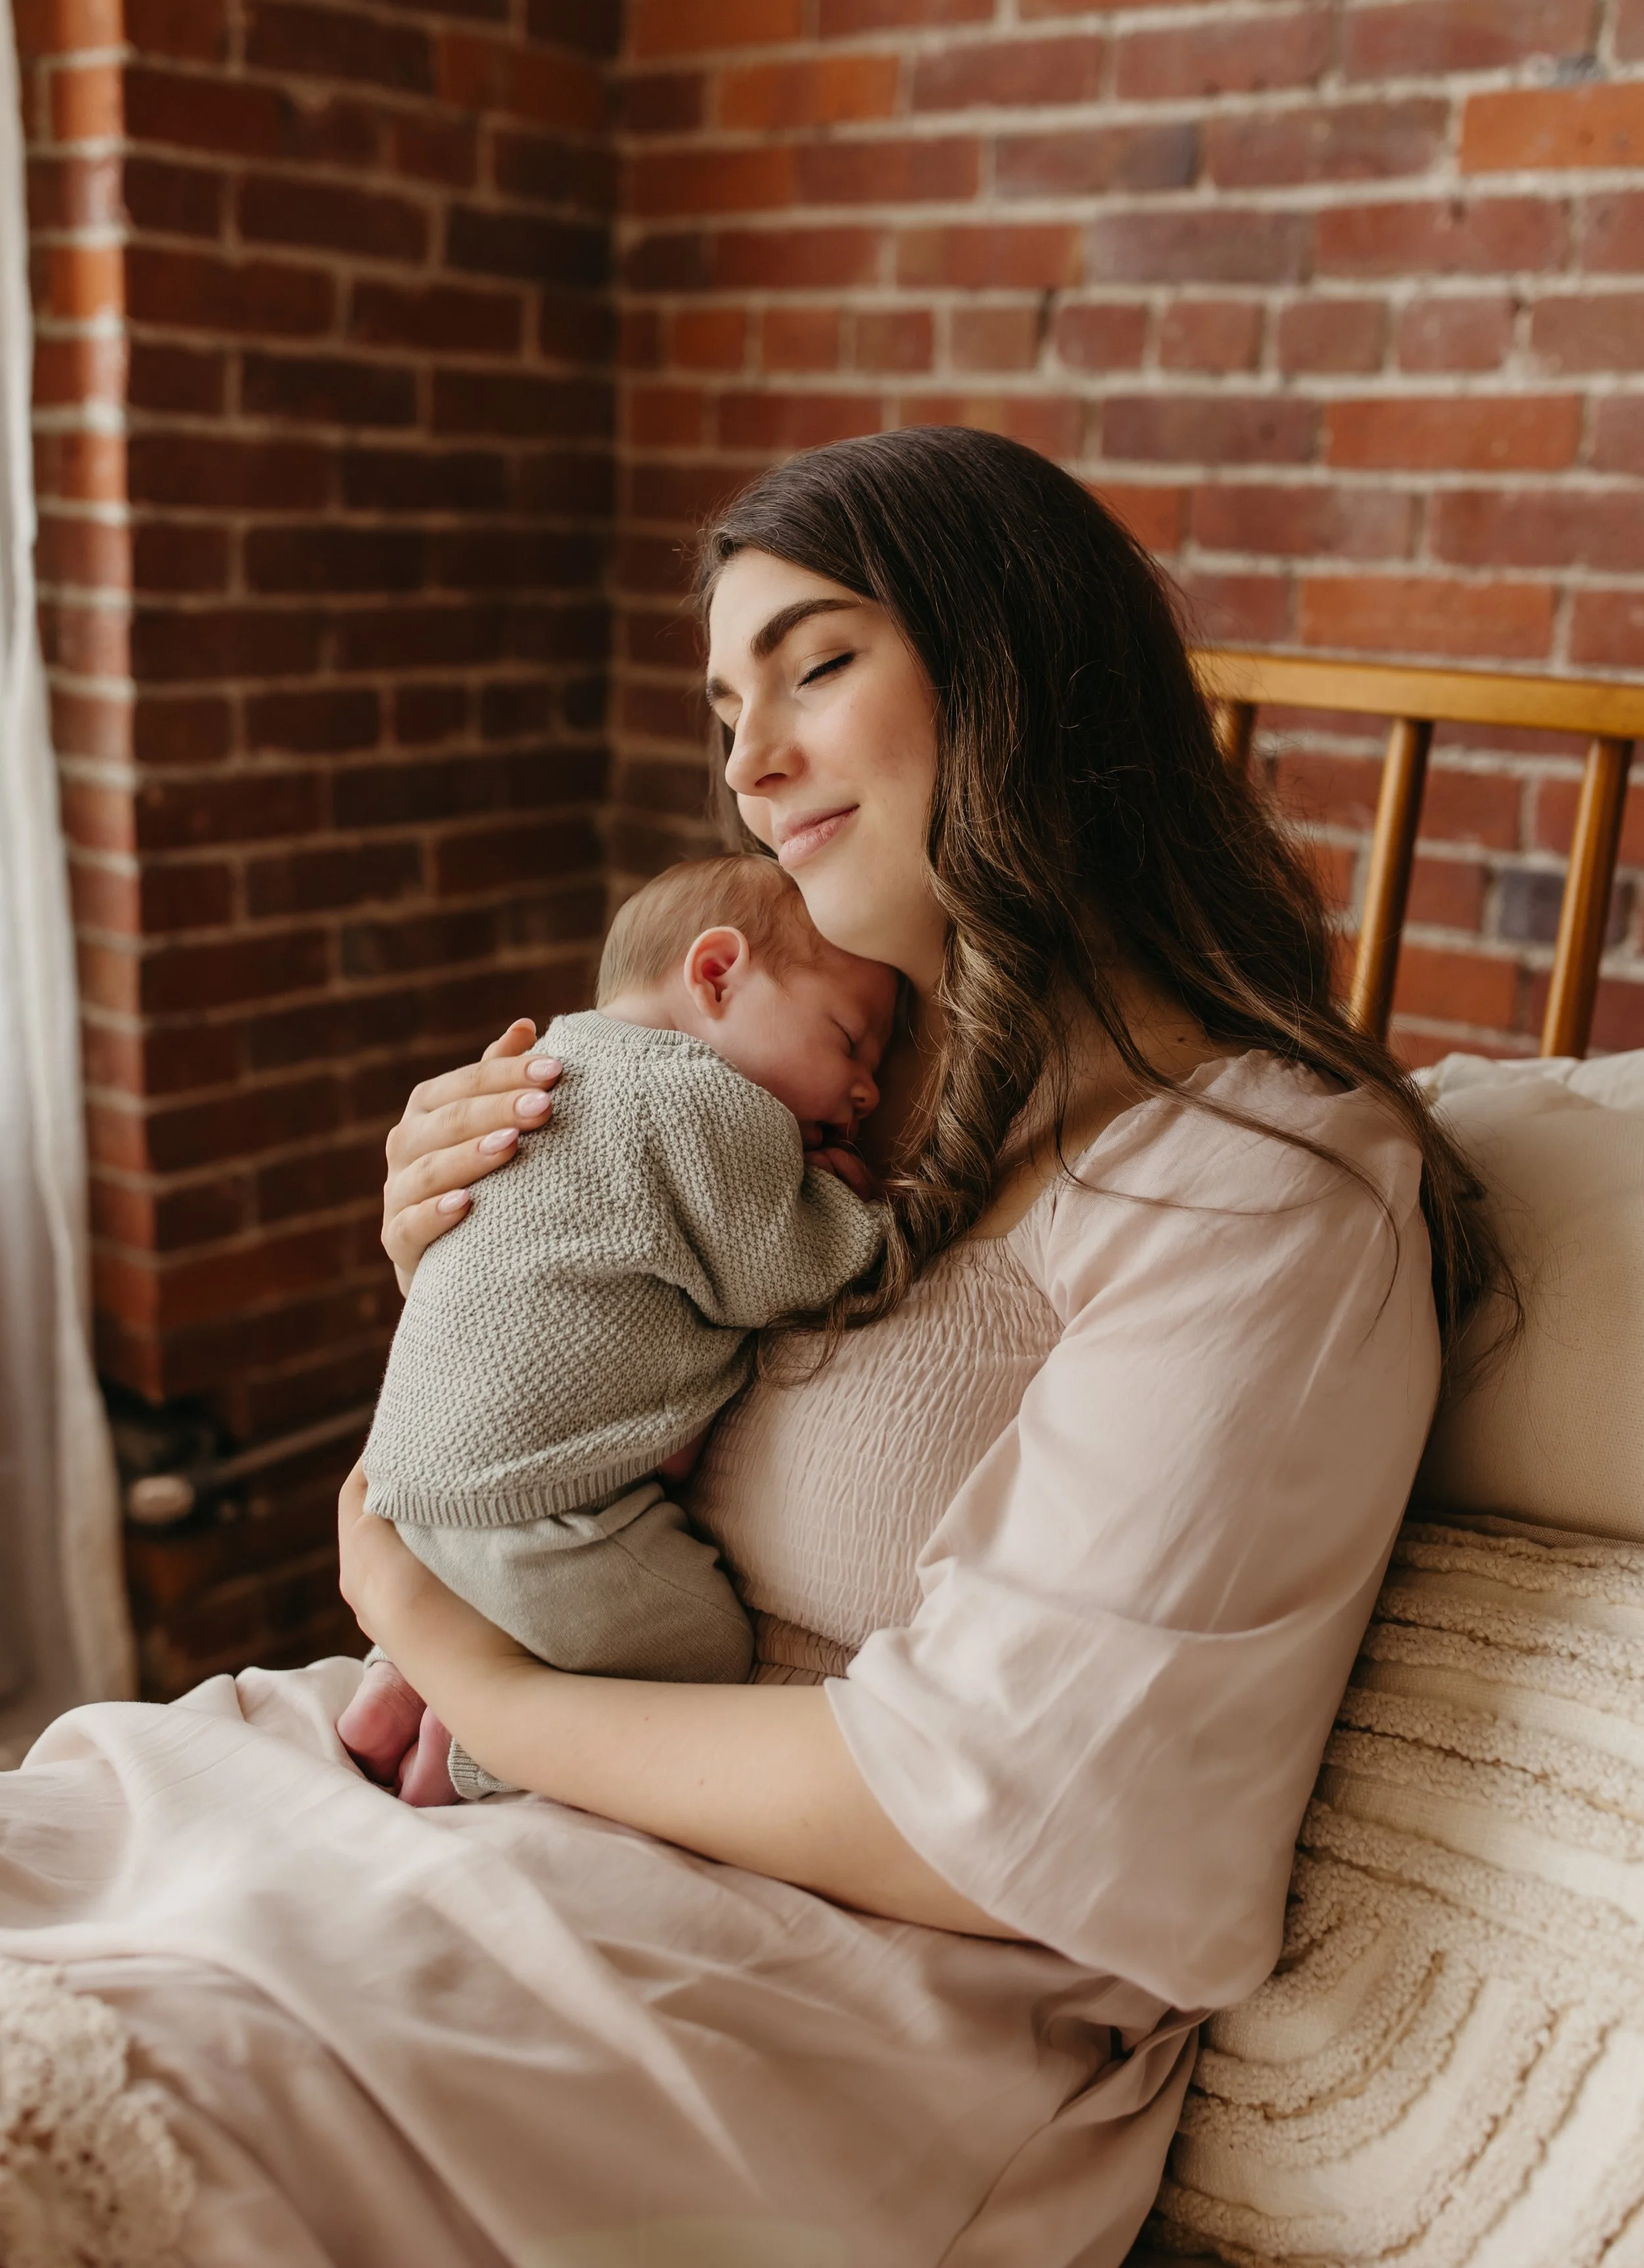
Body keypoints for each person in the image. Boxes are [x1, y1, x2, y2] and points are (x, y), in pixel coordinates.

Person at [0, 427, 1501, 2268]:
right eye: (726, 700)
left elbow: (997, 1820)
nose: (745, 760)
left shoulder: (1264, 1191)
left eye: (815, 661)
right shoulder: (845, 1103)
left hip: (828, 1970)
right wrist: (479, 1264)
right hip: (533, 1807)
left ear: (1018, 668)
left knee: (108, 2107)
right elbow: (629, 1403)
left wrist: (475, 1672)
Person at [337, 853, 894, 1806]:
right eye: (849, 1039)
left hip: (408, 1475)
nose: (868, 1092)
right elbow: (785, 1269)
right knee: (709, 1651)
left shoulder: (548, 1065)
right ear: (716, 975)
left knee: (481, 1593)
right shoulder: (715, 1107)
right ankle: (477, 1750)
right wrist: (858, 1212)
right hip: (540, 1507)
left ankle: (401, 1674)